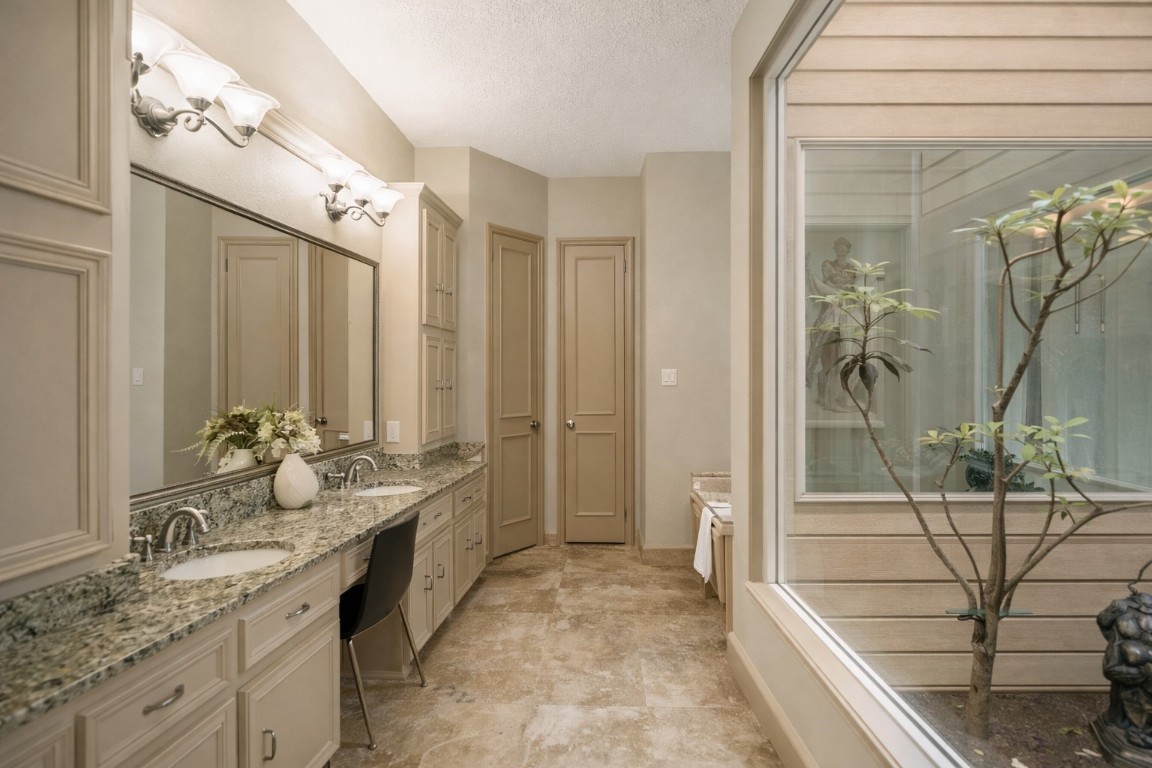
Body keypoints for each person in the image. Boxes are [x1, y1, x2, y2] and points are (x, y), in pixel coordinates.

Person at [806, 237, 860, 411]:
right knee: (826, 351)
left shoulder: (853, 267)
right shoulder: (828, 265)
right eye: (838, 246)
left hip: (850, 308)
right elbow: (823, 285)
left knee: (852, 350)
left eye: (844, 247)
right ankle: (825, 397)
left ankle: (841, 397)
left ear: (848, 249)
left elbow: (854, 287)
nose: (841, 249)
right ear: (835, 248)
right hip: (833, 307)